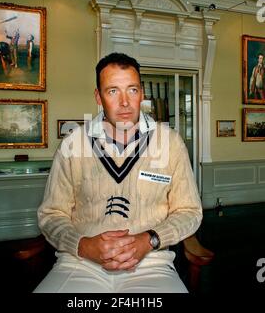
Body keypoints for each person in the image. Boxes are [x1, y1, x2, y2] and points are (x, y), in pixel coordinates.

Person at [34, 52, 202, 293]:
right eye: (113, 91)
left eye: (132, 90)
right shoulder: (73, 144)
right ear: (98, 97)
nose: (124, 102)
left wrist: (150, 239)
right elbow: (51, 214)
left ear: (142, 94)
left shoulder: (170, 143)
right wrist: (83, 245)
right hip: (80, 263)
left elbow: (190, 212)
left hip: (151, 263)